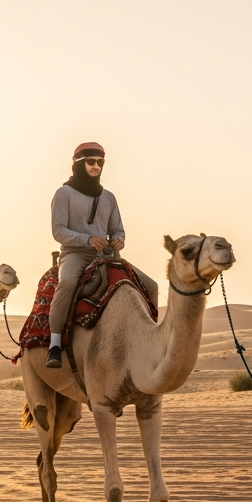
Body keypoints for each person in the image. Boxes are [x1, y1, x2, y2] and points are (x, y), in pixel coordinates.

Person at [45, 142, 158, 368]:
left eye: (100, 162)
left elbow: (118, 228)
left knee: (151, 285)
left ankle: (151, 339)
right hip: (76, 254)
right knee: (66, 284)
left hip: (107, 255)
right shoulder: (63, 193)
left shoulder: (108, 197)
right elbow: (58, 231)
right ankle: (54, 344)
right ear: (78, 164)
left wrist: (119, 240)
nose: (96, 166)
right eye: (91, 162)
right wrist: (87, 239)